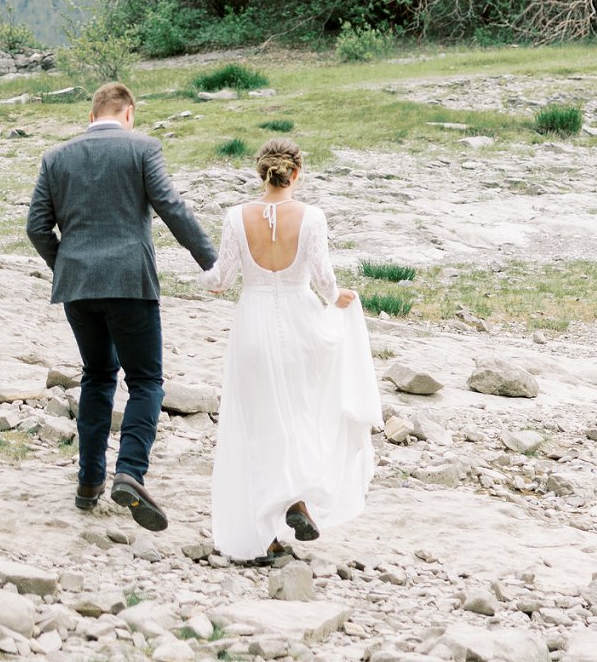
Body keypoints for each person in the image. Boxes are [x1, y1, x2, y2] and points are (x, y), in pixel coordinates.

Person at [25, 81, 216, 530]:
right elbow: (172, 208)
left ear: (92, 116)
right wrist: (211, 261)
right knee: (147, 380)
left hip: (78, 287)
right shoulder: (143, 148)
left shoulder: (56, 157)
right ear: (129, 112)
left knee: (97, 375)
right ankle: (130, 471)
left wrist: (67, 265)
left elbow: (36, 227)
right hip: (130, 282)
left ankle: (89, 481)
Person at [203, 138, 382, 561]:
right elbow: (324, 278)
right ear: (296, 173)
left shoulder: (236, 217)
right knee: (302, 414)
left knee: (256, 423)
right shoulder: (312, 217)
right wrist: (338, 297)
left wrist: (199, 275)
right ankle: (297, 500)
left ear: (259, 171)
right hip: (301, 323)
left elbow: (220, 280)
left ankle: (264, 533)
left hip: (253, 323)